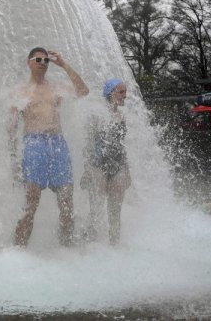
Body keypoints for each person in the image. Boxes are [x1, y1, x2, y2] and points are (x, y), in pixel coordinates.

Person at [9, 47, 89, 247]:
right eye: (38, 59)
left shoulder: (56, 88)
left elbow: (83, 91)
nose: (43, 63)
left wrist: (63, 65)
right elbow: (11, 128)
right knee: (30, 204)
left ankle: (67, 251)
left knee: (67, 204)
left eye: (46, 60)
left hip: (58, 144)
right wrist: (13, 159)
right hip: (33, 144)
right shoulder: (20, 91)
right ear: (29, 62)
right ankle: (17, 252)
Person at [80, 78, 131, 245]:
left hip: (118, 165)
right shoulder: (97, 115)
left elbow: (122, 146)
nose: (125, 95)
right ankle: (89, 244)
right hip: (98, 165)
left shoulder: (122, 116)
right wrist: (87, 170)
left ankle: (114, 244)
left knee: (115, 209)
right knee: (96, 208)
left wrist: (127, 170)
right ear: (111, 93)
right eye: (121, 92)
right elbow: (88, 144)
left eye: (125, 92)